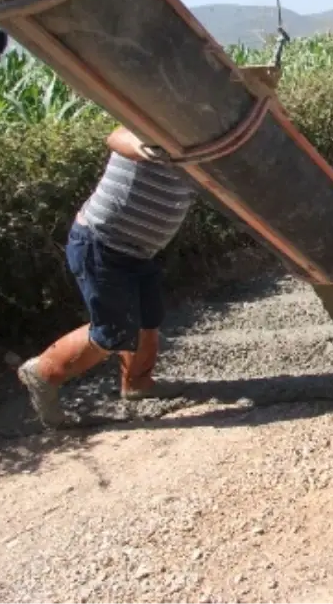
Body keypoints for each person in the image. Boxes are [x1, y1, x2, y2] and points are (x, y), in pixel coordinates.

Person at [16, 125, 199, 428]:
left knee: (146, 321)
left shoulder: (207, 143)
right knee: (113, 331)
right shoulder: (159, 117)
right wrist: (146, 149)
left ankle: (137, 385)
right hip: (101, 244)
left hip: (139, 252)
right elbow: (117, 136)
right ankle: (41, 373)